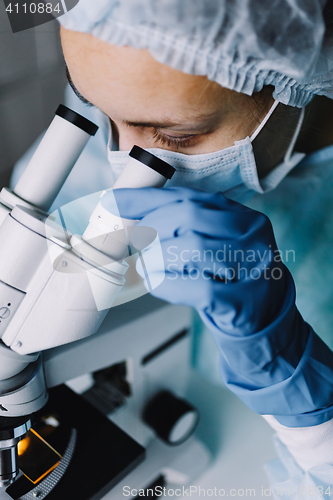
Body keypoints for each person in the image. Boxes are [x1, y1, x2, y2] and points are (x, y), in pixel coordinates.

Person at [12, 0, 333, 495]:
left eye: (174, 136)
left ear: (297, 85)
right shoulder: (121, 109)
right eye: (94, 107)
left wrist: (299, 386)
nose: (123, 159)